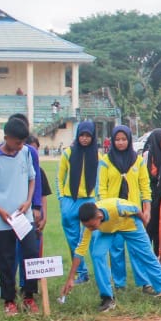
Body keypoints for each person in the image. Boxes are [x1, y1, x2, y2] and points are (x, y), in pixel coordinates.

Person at [0, 118, 43, 316]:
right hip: (3, 220)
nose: (20, 146)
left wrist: (29, 201)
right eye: (17, 142)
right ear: (6, 138)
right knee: (6, 259)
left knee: (31, 253)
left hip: (24, 217)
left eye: (23, 142)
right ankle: (9, 300)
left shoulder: (26, 153)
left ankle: (29, 296)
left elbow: (32, 178)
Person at [61, 198, 161, 311]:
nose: (90, 229)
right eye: (87, 226)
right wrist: (71, 278)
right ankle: (107, 298)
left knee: (147, 255)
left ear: (99, 216)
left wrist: (144, 224)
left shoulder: (118, 207)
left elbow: (136, 209)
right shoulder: (88, 225)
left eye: (92, 226)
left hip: (129, 225)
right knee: (97, 255)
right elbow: (79, 251)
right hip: (107, 231)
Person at [100, 124, 155, 292]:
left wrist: (147, 209)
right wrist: (105, 211)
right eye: (117, 139)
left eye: (124, 139)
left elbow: (145, 186)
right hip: (113, 213)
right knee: (116, 248)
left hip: (133, 212)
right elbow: (102, 188)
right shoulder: (106, 161)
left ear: (129, 140)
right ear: (112, 141)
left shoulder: (138, 161)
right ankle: (119, 284)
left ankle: (145, 282)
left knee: (138, 249)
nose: (121, 142)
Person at [56, 121, 99, 284]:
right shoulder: (68, 153)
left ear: (93, 137)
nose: (85, 139)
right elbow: (59, 178)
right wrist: (62, 199)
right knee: (73, 239)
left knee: (94, 238)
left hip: (89, 200)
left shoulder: (98, 155)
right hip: (70, 200)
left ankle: (100, 272)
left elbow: (100, 179)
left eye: (88, 136)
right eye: (82, 135)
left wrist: (98, 199)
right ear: (77, 136)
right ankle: (81, 273)